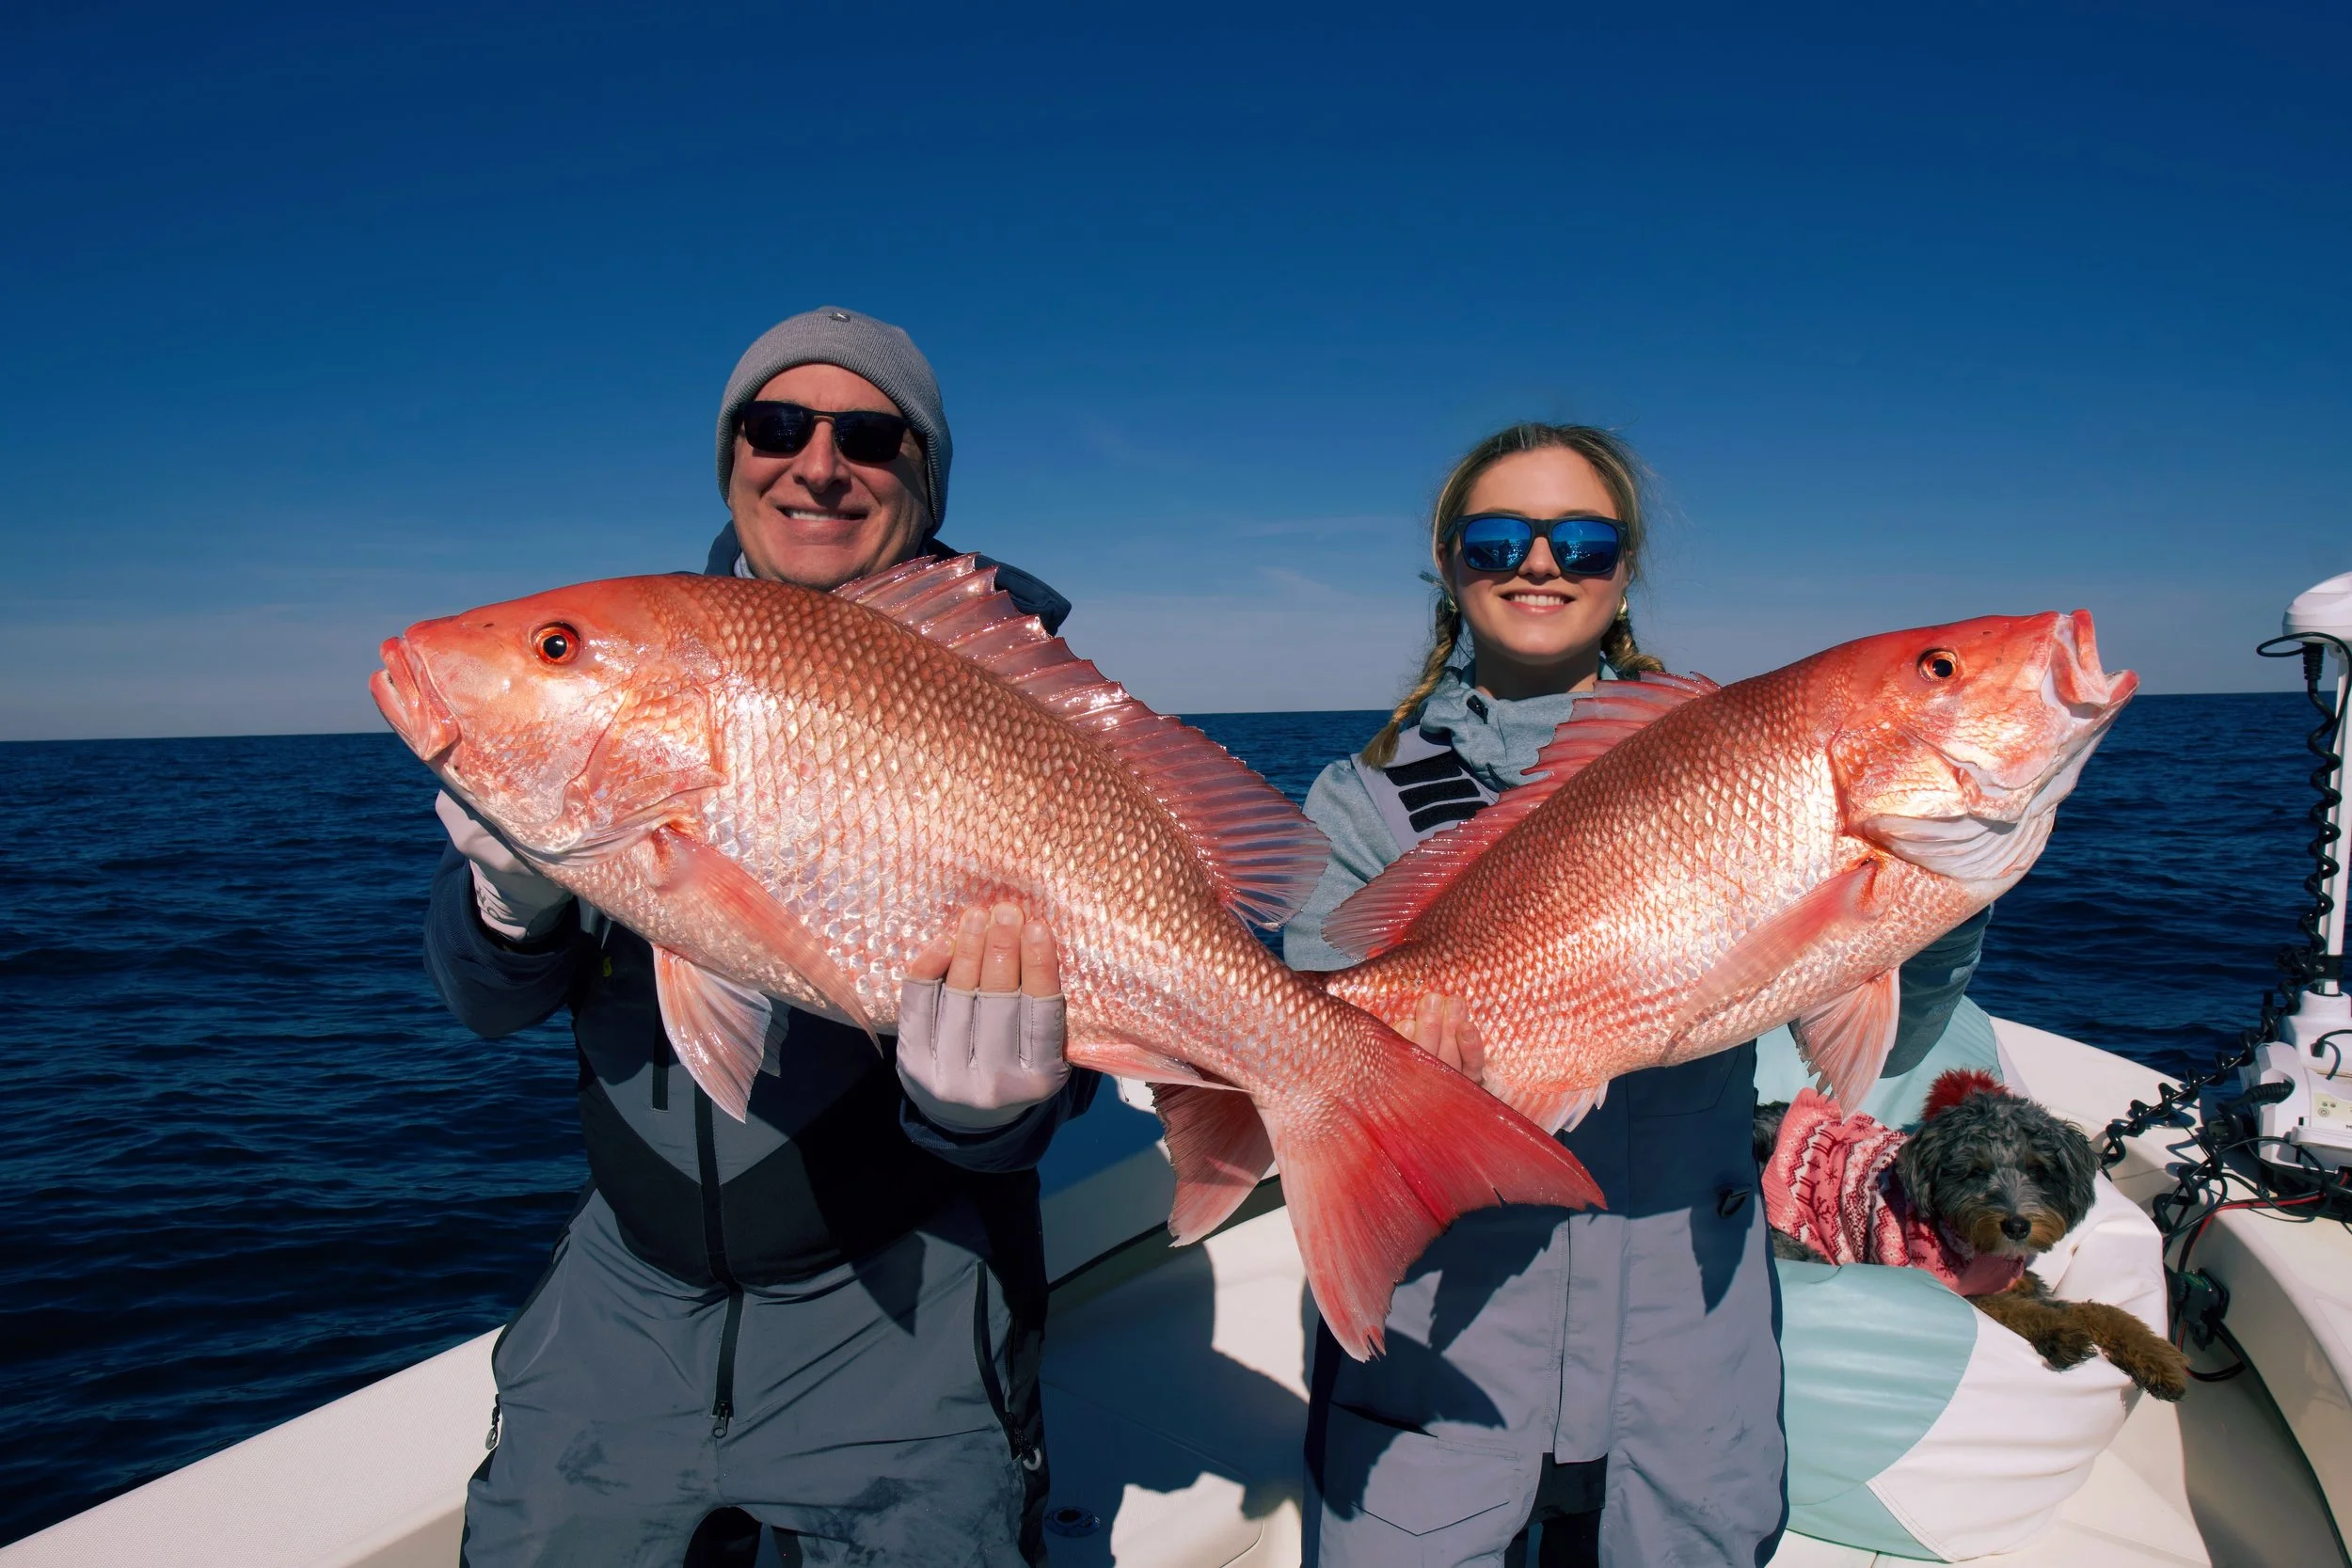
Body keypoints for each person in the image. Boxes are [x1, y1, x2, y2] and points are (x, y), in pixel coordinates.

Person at [427, 306, 1099, 1568]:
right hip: (622, 1292)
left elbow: (1078, 1053)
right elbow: (487, 1003)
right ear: (734, 451)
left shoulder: (1013, 689)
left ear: (922, 471)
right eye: (776, 425)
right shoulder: (646, 673)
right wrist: (504, 909)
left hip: (905, 1299)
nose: (816, 462)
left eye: (870, 434)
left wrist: (989, 1112)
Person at [1283, 422, 1990, 1568]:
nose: (1540, 563)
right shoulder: (1361, 799)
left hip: (1686, 1366)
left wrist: (1935, 888)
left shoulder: (1738, 753)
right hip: (1445, 1360)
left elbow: (1881, 1031)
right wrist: (1410, 1083)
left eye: (1585, 541)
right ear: (1450, 565)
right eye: (1497, 536)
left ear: (1624, 575)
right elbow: (1322, 1038)